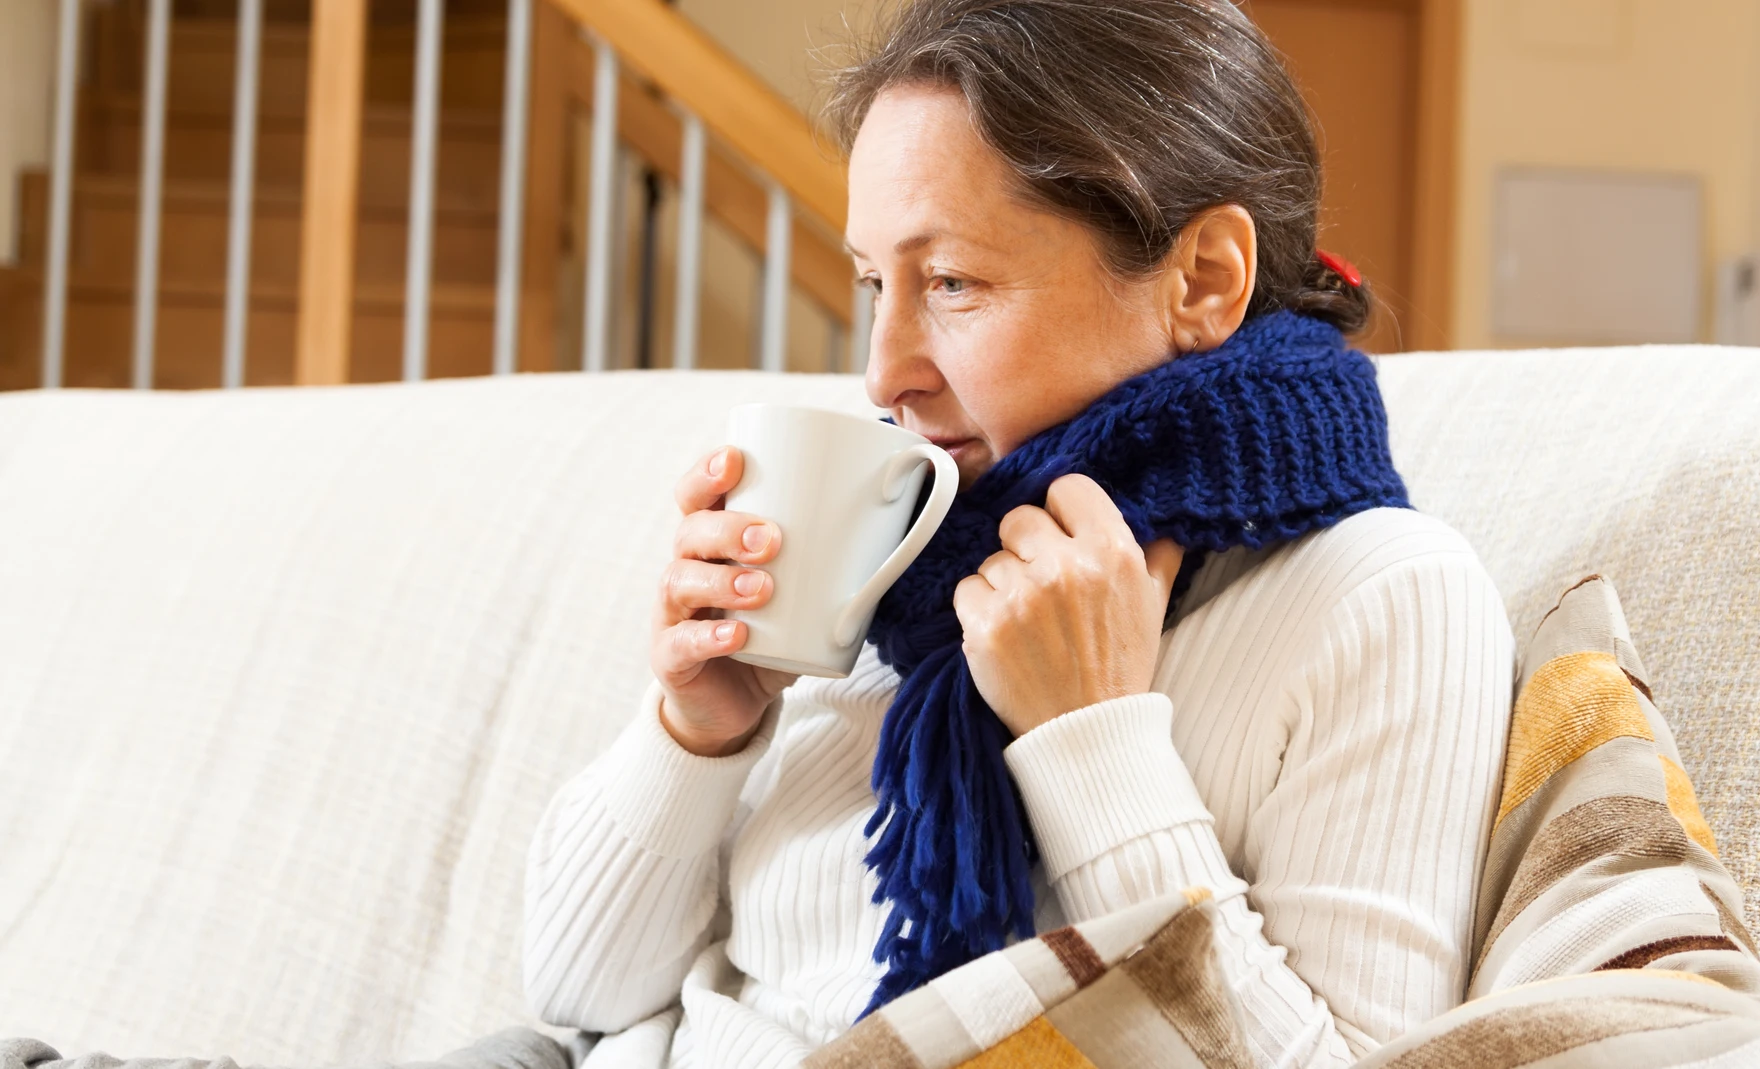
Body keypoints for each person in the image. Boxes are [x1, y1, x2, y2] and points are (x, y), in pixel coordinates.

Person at [521, 1, 1514, 1065]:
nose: (882, 369)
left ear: (1203, 278)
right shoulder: (893, 547)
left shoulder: (1382, 596)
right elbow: (577, 994)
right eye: (873, 282)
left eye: (950, 281)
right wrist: (697, 730)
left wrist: (1091, 737)